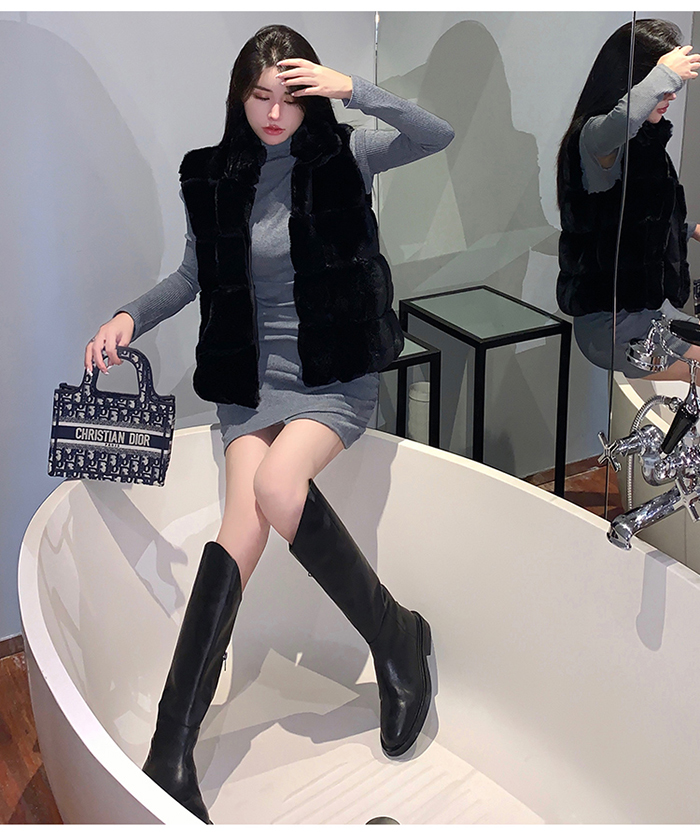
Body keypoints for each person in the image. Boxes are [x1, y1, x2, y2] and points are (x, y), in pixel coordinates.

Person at [85, 24, 454, 824]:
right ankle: (171, 752)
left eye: (289, 97)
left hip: (332, 378)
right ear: (240, 98)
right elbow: (190, 276)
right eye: (260, 97)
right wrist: (128, 316)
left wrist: (351, 87)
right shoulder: (212, 176)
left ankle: (397, 641)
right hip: (250, 387)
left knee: (280, 486)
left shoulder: (345, 156)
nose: (275, 114)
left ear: (310, 96)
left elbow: (438, 134)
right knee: (239, 532)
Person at [556, 19, 700, 381]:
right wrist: (665, 74)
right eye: (663, 86)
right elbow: (621, 120)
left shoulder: (643, 142)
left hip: (647, 312)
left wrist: (690, 230)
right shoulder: (594, 138)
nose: (671, 96)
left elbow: (636, 222)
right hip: (613, 325)